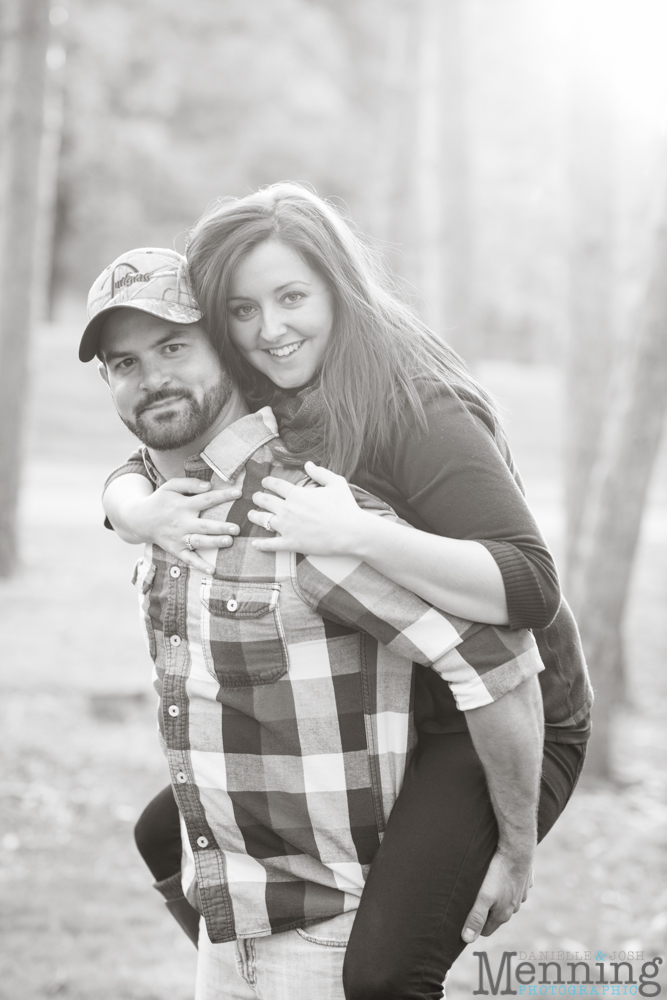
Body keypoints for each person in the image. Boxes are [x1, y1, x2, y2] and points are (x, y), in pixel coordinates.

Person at [101, 181, 593, 1000]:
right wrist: (133, 512)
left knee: (381, 971)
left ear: (337, 287)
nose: (271, 328)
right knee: (166, 835)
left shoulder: (414, 406)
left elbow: (529, 589)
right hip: (404, 688)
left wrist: (360, 534)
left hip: (506, 698)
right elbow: (149, 454)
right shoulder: (262, 382)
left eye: (292, 297)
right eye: (243, 310)